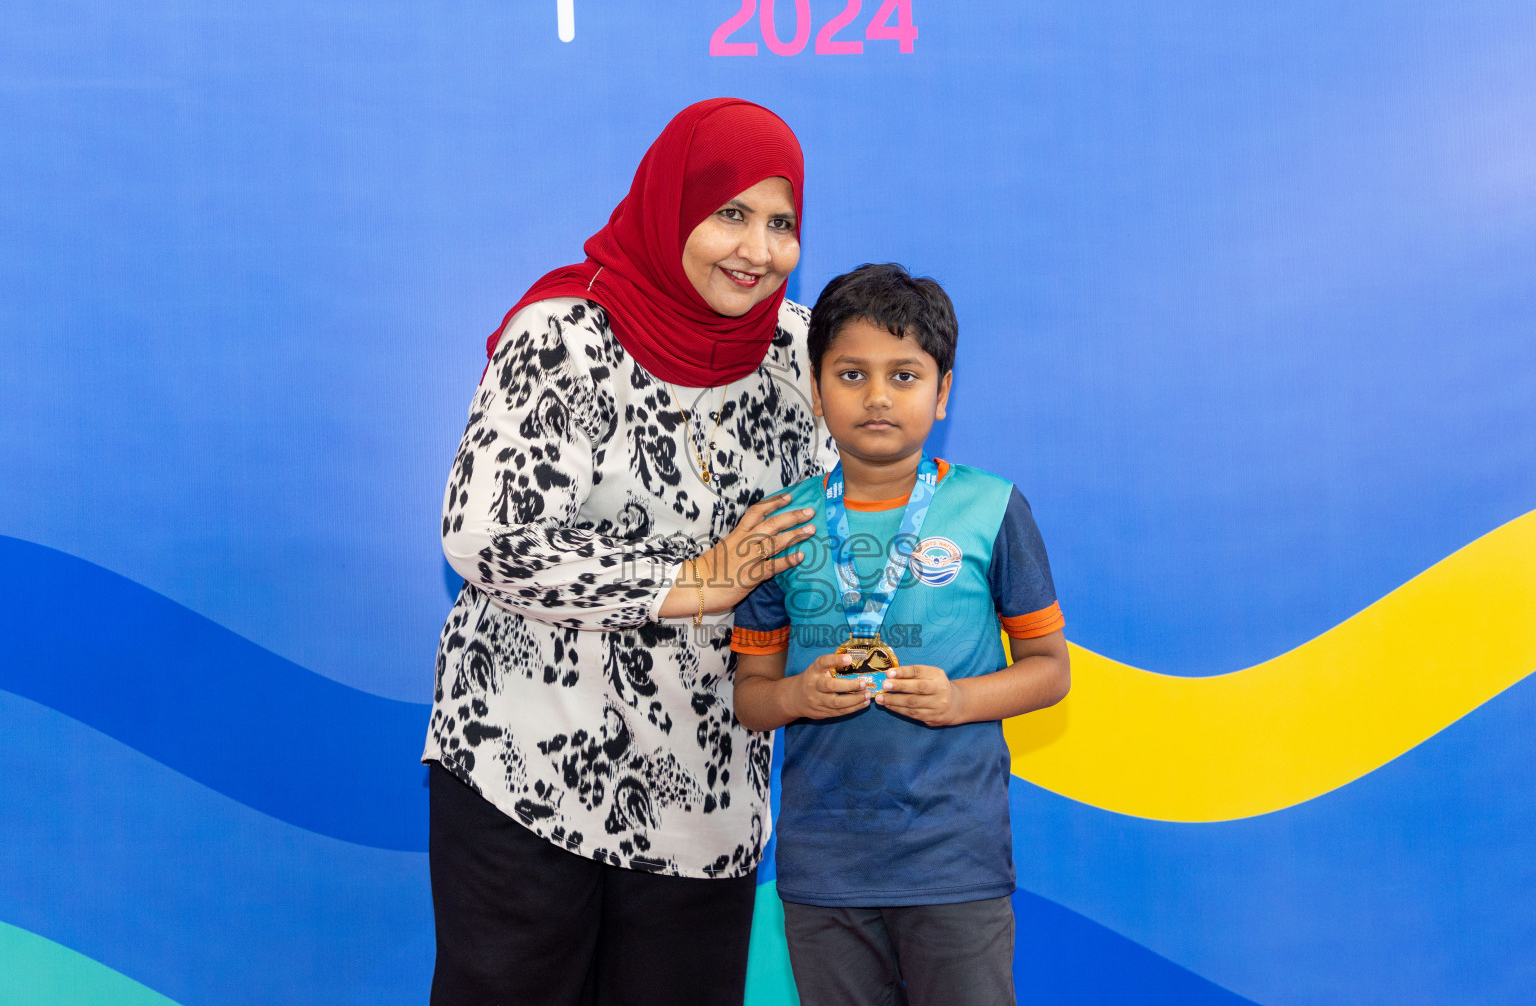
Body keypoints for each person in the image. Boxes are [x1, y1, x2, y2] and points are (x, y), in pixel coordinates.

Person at [424, 98, 836, 1006]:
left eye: (781, 223)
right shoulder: (567, 334)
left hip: (707, 787)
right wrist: (691, 583)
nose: (756, 250)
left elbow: (844, 519)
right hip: (524, 766)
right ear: (671, 204)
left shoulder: (800, 353)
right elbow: (484, 533)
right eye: (730, 213)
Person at [731, 263, 1073, 1006]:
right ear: (817, 389)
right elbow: (750, 699)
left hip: (955, 864)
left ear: (943, 391)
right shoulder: (780, 524)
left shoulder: (993, 508)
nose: (878, 396)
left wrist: (958, 700)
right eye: (851, 374)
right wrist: (796, 692)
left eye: (905, 375)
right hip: (825, 871)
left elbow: (1050, 670)